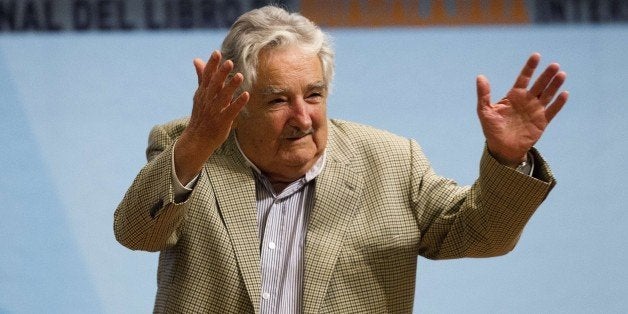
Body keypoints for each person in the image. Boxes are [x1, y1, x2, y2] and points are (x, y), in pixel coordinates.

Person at [114, 5, 568, 314]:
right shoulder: (190, 147)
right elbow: (136, 232)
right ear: (238, 102)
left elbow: (483, 235)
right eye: (277, 101)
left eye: (314, 95)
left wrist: (508, 157)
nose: (302, 117)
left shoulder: (391, 161)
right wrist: (197, 142)